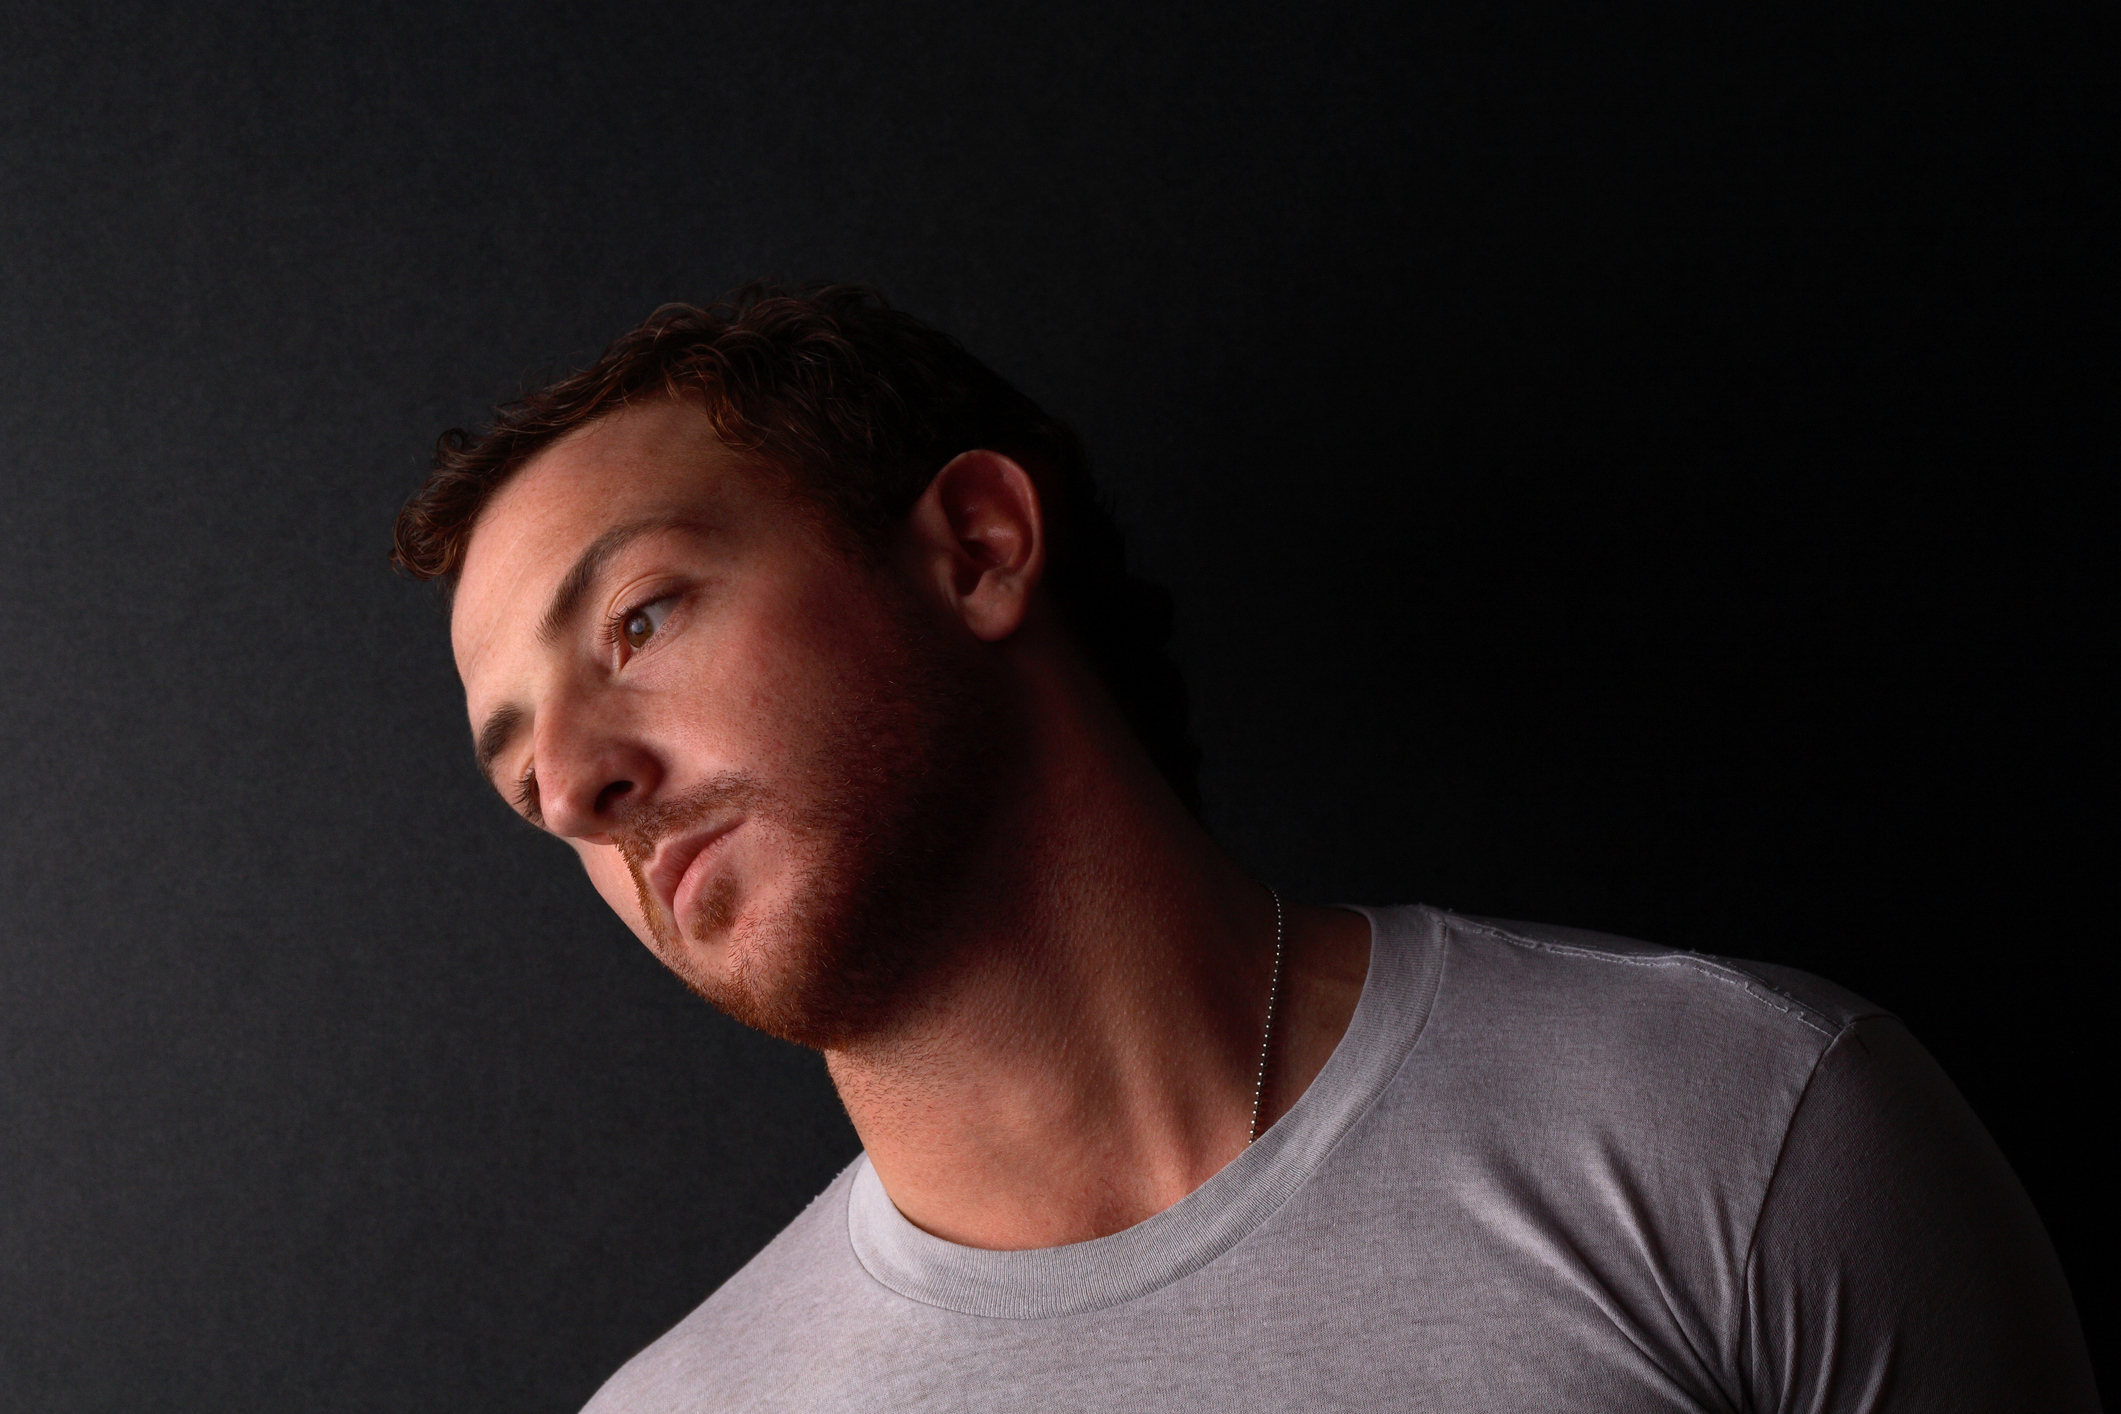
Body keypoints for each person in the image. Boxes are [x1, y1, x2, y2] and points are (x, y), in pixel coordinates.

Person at [393, 284, 2095, 1411]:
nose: (572, 779)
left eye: (641, 616)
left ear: (975, 548)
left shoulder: (1740, 1134)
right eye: (514, 765)